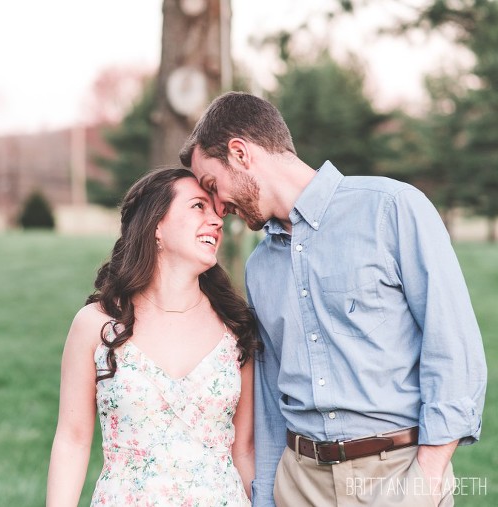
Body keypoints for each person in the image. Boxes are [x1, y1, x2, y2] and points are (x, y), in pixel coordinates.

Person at [179, 91, 487, 507]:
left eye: (213, 186)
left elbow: (454, 348)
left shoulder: (391, 210)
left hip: (396, 477)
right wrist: (268, 497)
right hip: (299, 482)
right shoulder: (260, 267)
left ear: (240, 153)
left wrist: (427, 479)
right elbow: (270, 398)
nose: (218, 206)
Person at [46, 167, 260, 506]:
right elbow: (72, 440)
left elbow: (244, 450)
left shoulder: (236, 326)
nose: (217, 220)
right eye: (198, 207)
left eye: (217, 211)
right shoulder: (96, 325)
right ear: (156, 225)